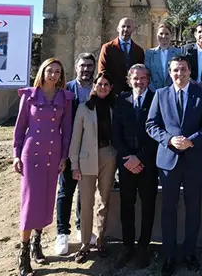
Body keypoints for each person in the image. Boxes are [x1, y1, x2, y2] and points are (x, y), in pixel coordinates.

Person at [146, 56, 202, 276]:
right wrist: (168, 139)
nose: (179, 74)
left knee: (193, 208)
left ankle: (189, 252)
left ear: (189, 71)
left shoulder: (201, 93)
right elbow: (150, 124)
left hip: (194, 160)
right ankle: (169, 255)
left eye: (183, 70)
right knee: (169, 209)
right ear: (169, 72)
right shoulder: (160, 94)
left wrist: (192, 139)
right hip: (168, 161)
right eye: (175, 70)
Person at [12, 58, 74, 276]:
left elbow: (66, 131)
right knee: (30, 201)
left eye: (58, 71)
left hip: (53, 153)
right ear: (43, 72)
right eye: (50, 71)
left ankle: (38, 242)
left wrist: (64, 157)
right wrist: (16, 155)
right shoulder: (29, 95)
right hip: (32, 154)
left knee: (47, 199)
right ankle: (24, 251)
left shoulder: (64, 98)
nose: (54, 75)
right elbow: (20, 127)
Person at [112, 64, 158, 269]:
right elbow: (116, 133)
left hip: (148, 164)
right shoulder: (121, 100)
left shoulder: (158, 99)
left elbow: (157, 133)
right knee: (126, 206)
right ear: (129, 80)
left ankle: (143, 247)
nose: (139, 82)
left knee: (148, 207)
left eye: (142, 78)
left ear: (148, 79)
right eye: (135, 78)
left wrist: (140, 158)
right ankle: (128, 245)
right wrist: (128, 158)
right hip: (126, 165)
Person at [68, 72, 117, 263]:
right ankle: (85, 244)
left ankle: (101, 240)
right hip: (86, 159)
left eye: (107, 84)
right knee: (86, 203)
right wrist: (74, 165)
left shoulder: (115, 107)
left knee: (103, 201)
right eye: (100, 84)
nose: (103, 87)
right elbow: (75, 139)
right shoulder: (83, 108)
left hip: (108, 157)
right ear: (94, 86)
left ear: (111, 87)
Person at [56, 53, 96, 255]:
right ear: (76, 67)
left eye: (90, 66)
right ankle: (62, 233)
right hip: (68, 148)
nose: (86, 69)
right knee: (65, 190)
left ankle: (83, 229)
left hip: (89, 150)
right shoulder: (65, 89)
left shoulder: (99, 90)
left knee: (85, 191)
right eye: (83, 66)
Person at [98, 17, 145, 95]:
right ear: (118, 28)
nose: (126, 29)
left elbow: (141, 72)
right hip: (112, 93)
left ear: (133, 29)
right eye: (123, 26)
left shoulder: (139, 51)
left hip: (132, 93)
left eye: (128, 27)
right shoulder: (107, 48)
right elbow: (102, 71)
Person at [145, 23, 182, 91]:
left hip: (173, 91)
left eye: (167, 33)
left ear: (171, 35)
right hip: (154, 91)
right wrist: (154, 91)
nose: (164, 36)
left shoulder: (179, 52)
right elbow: (147, 74)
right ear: (157, 35)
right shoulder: (149, 53)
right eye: (161, 33)